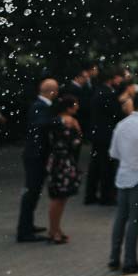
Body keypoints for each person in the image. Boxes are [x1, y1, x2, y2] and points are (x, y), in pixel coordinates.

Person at [108, 89, 138, 273]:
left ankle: (114, 257)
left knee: (120, 218)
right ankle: (130, 261)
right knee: (135, 220)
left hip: (123, 175)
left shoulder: (121, 125)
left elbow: (113, 152)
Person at [16, 78, 58, 243]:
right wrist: (59, 121)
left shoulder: (40, 106)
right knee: (31, 191)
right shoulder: (40, 107)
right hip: (35, 155)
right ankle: (24, 230)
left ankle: (27, 225)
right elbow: (41, 125)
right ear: (52, 91)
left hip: (36, 154)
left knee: (33, 191)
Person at [46, 95, 83, 244]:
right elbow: (75, 141)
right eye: (75, 105)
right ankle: (54, 230)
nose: (77, 107)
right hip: (63, 161)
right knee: (59, 197)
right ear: (68, 107)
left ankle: (55, 228)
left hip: (58, 160)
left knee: (60, 196)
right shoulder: (68, 122)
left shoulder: (54, 121)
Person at [86, 68, 124, 205]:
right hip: (105, 134)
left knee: (95, 165)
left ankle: (90, 195)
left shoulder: (97, 90)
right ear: (111, 79)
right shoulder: (108, 93)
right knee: (106, 166)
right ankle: (106, 196)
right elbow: (116, 113)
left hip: (97, 132)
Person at [60, 62, 97, 133]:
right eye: (84, 77)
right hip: (78, 117)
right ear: (77, 77)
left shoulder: (80, 88)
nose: (86, 80)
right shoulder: (72, 89)